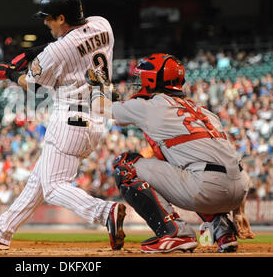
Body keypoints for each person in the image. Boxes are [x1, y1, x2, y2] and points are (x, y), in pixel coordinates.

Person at [0, 0, 126, 251]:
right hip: (97, 117)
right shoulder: (101, 24)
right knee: (38, 181)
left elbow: (33, 85)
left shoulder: (56, 51)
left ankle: (104, 212)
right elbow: (70, 43)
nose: (46, 23)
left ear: (61, 18)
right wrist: (32, 54)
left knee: (52, 187)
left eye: (49, 18)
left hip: (69, 120)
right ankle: (0, 232)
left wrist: (10, 74)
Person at [86, 53, 255, 253]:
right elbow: (229, 159)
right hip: (240, 189)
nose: (139, 83)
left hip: (207, 188)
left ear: (151, 79)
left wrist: (98, 89)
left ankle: (174, 233)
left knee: (125, 165)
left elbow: (99, 108)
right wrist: (239, 210)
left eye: (142, 78)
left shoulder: (150, 106)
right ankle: (223, 231)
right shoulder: (205, 112)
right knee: (187, 165)